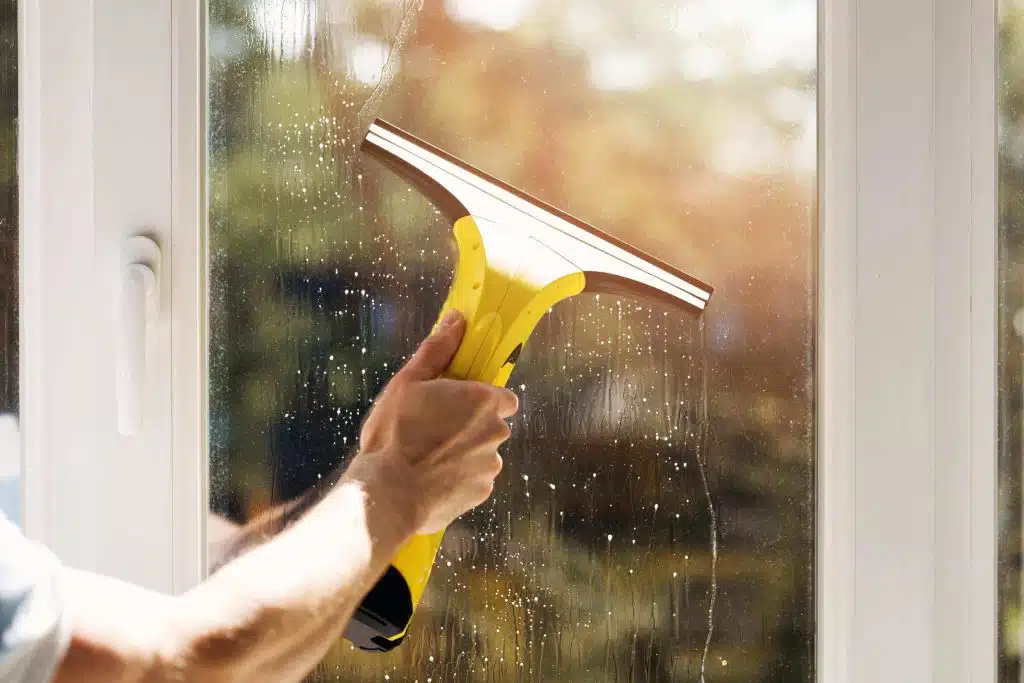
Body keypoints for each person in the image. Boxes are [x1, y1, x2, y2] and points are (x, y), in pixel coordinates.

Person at [0, 310, 519, 683]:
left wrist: (377, 469)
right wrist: (397, 483)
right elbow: (186, 665)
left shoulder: (17, 459)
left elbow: (220, 556)